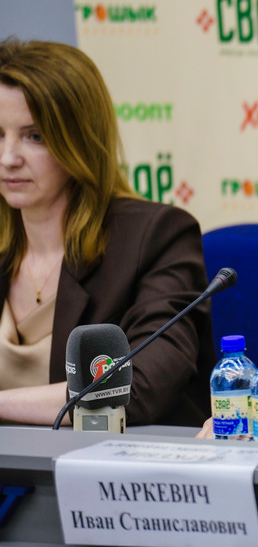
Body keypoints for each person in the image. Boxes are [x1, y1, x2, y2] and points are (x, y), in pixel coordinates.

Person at [0, 38, 214, 427]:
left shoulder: (156, 237)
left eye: (35, 136)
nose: (8, 158)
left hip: (115, 461)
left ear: (79, 140)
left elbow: (136, 388)